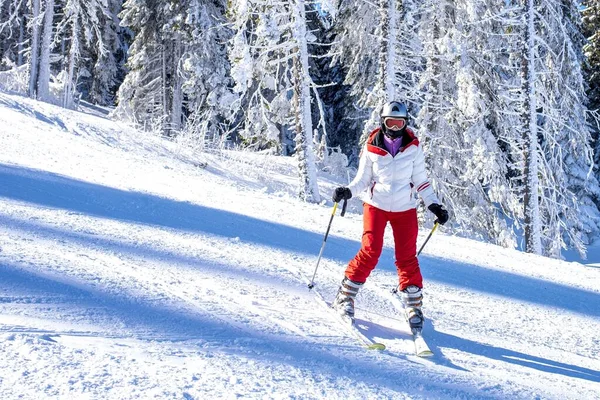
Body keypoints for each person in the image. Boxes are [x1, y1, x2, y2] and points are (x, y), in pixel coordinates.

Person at [331, 101, 449, 331]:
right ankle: (345, 295)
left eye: (399, 124)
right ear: (382, 123)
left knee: (406, 256)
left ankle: (413, 304)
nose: (395, 129)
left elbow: (422, 182)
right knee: (370, 250)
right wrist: (348, 191)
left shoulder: (413, 148)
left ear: (405, 124)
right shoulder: (372, 147)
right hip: (376, 205)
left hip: (405, 208)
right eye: (390, 123)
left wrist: (434, 205)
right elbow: (363, 180)